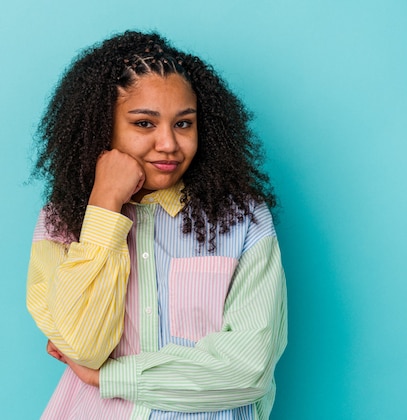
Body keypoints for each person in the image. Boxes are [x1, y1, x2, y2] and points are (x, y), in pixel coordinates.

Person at [26, 30, 287, 420]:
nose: (168, 143)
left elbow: (248, 372)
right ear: (104, 126)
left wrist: (110, 377)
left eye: (183, 124)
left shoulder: (245, 222)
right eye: (145, 124)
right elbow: (84, 346)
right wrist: (105, 204)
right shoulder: (61, 220)